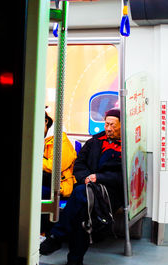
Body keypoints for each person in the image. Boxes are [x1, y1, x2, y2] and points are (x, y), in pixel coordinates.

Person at [40, 108, 124, 265]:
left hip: (109, 192)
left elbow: (124, 176)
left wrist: (99, 177)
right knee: (83, 215)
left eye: (113, 125)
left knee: (81, 194)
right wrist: (87, 177)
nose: (108, 128)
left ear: (122, 126)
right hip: (87, 189)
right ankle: (74, 260)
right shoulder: (95, 142)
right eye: (106, 124)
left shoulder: (127, 147)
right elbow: (79, 164)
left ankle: (57, 236)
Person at [42, 111, 77, 199]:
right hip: (47, 180)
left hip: (60, 185)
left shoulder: (60, 139)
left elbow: (54, 166)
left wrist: (34, 160)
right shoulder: (43, 138)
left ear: (46, 121)